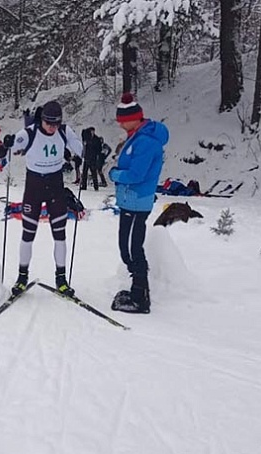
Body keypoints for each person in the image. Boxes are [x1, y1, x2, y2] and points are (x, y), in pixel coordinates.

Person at [0, 101, 84, 296]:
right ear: (42, 120)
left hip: (55, 186)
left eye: (56, 124)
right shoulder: (29, 133)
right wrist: (5, 146)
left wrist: (85, 145)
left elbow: (81, 151)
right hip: (34, 187)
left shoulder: (64, 131)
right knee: (28, 234)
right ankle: (22, 277)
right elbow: (3, 156)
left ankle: (61, 280)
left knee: (60, 234)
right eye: (49, 124)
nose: (52, 128)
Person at [109, 93, 168, 314]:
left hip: (137, 202)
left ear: (135, 118)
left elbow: (136, 174)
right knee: (127, 249)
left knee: (133, 250)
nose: (120, 123)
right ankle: (137, 290)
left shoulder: (146, 141)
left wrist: (115, 174)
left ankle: (141, 298)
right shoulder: (136, 136)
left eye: (123, 119)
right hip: (129, 202)